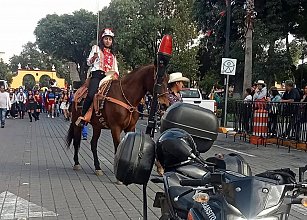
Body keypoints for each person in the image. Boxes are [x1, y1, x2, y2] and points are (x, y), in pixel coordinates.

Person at [76, 28, 119, 127]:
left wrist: (115, 75)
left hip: (110, 77)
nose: (108, 41)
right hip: (97, 75)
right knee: (91, 94)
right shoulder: (96, 49)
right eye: (106, 39)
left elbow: (116, 69)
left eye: (110, 39)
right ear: (102, 39)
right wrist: (94, 58)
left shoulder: (113, 55)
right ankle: (83, 116)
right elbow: (88, 62)